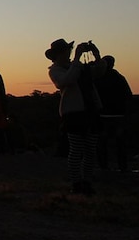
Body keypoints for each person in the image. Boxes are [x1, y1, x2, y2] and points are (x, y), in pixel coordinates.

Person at [46, 38, 107, 196]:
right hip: (73, 113)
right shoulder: (55, 70)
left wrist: (97, 55)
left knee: (90, 150)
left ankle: (86, 182)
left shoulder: (78, 67)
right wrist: (77, 61)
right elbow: (66, 81)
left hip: (90, 110)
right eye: (66, 52)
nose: (68, 54)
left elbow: (99, 72)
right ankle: (76, 183)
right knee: (76, 149)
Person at [95, 55, 132, 172]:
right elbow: (128, 95)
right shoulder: (119, 77)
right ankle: (122, 167)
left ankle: (104, 166)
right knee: (119, 142)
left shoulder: (98, 78)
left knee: (102, 143)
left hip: (103, 115)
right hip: (118, 115)